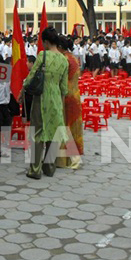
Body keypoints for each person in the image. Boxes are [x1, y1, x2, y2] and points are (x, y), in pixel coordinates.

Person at [23, 27, 68, 179]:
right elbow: (64, 87)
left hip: (41, 98)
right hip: (56, 99)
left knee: (37, 134)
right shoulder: (64, 59)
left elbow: (30, 78)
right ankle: (49, 167)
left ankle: (35, 170)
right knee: (53, 133)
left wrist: (22, 89)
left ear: (46, 42)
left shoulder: (42, 56)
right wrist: (61, 105)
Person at [56, 36, 83, 169]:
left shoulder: (63, 59)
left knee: (65, 128)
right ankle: (71, 158)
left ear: (59, 47)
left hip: (65, 97)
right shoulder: (73, 57)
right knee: (72, 128)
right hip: (75, 95)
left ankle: (73, 159)